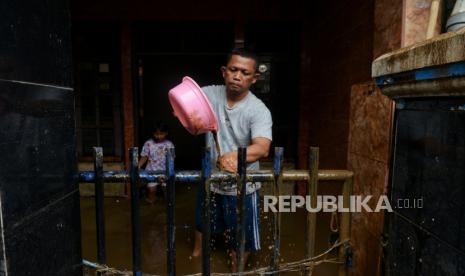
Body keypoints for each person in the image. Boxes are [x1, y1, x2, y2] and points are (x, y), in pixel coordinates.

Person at [192, 48, 273, 272]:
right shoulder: (209, 94)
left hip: (243, 186)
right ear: (224, 72)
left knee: (241, 238)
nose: (238, 76)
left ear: (254, 78)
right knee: (202, 224)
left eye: (245, 73)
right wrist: (187, 115)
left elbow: (262, 147)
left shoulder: (258, 110)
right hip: (212, 178)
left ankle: (235, 269)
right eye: (233, 70)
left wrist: (235, 156)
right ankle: (195, 261)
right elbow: (183, 103)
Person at [138, 122, 174, 203]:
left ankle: (168, 205)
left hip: (165, 171)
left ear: (166, 133)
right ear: (153, 133)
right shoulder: (148, 143)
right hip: (151, 171)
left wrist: (171, 172)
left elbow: (172, 159)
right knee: (151, 190)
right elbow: (144, 156)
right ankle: (152, 202)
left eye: (161, 134)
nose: (158, 136)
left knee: (167, 191)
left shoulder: (169, 144)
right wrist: (139, 166)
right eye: (156, 134)